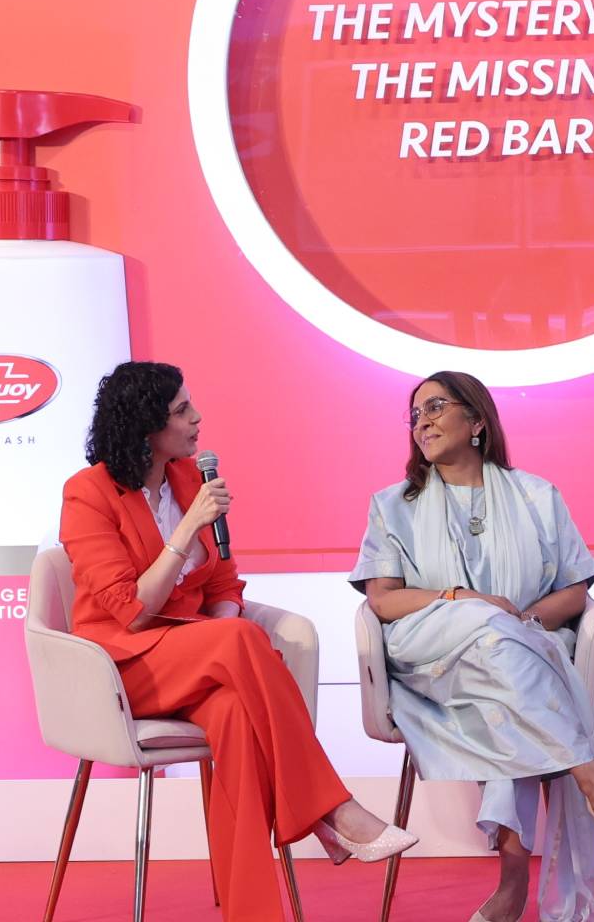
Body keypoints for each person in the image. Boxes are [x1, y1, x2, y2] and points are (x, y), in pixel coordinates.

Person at [60, 361, 416, 921]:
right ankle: (331, 808)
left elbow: (223, 580)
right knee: (240, 640)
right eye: (181, 410)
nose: (197, 418)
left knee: (234, 712)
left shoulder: (187, 480)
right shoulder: (89, 494)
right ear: (146, 426)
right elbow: (129, 611)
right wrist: (184, 533)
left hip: (196, 657)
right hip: (124, 666)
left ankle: (252, 912)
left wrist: (221, 627)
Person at [351, 370, 594, 922]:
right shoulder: (392, 505)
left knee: (504, 687)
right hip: (431, 656)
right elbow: (384, 602)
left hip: (517, 656)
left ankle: (511, 887)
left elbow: (575, 590)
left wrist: (519, 624)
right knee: (494, 641)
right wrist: (463, 600)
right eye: (414, 415)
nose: (423, 422)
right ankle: (587, 772)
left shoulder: (537, 495)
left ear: (478, 420)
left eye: (436, 407)